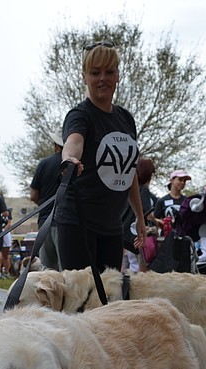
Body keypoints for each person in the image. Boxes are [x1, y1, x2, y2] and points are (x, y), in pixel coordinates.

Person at [58, 40, 146, 271]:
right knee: (80, 299)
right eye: (95, 73)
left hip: (112, 227)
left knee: (109, 299)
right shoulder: (80, 114)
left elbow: (129, 171)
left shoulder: (126, 119)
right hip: (78, 223)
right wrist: (70, 158)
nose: (102, 78)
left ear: (118, 75)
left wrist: (139, 216)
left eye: (109, 72)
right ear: (84, 77)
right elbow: (74, 141)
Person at [29, 131, 64, 270]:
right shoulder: (75, 165)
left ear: (56, 145)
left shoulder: (44, 163)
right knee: (66, 270)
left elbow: (33, 195)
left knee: (46, 272)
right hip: (66, 222)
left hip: (45, 222)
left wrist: (44, 205)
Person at [121, 158, 159, 272]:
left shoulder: (126, 190)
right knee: (140, 269)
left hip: (125, 234)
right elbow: (147, 214)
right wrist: (156, 224)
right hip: (137, 235)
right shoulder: (143, 191)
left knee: (127, 266)